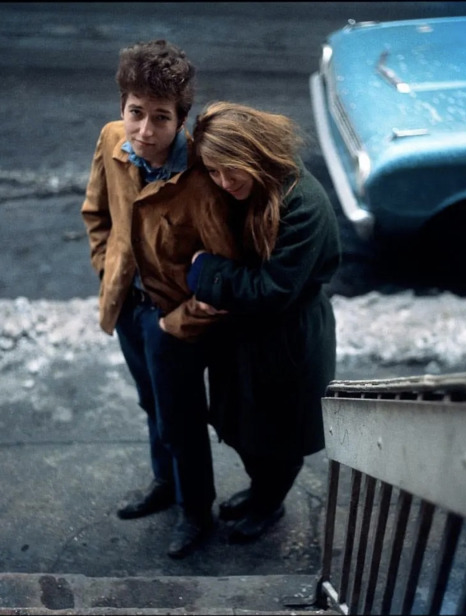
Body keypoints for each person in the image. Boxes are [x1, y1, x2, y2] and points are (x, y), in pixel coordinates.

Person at [80, 41, 241, 558]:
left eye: (161, 118)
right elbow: (96, 214)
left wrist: (179, 322)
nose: (145, 131)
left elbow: (223, 276)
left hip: (173, 322)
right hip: (128, 306)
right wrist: (109, 269)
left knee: (181, 416)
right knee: (150, 402)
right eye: (135, 113)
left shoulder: (200, 180)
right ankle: (164, 485)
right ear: (122, 108)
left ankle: (196, 511)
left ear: (182, 120)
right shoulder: (111, 141)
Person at [187, 101, 341, 543]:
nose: (223, 182)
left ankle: (269, 504)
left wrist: (203, 272)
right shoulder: (250, 187)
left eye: (229, 170)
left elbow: (271, 290)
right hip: (247, 340)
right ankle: (260, 492)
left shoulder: (303, 204)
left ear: (253, 152)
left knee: (277, 438)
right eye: (213, 172)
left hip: (287, 342)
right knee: (244, 429)